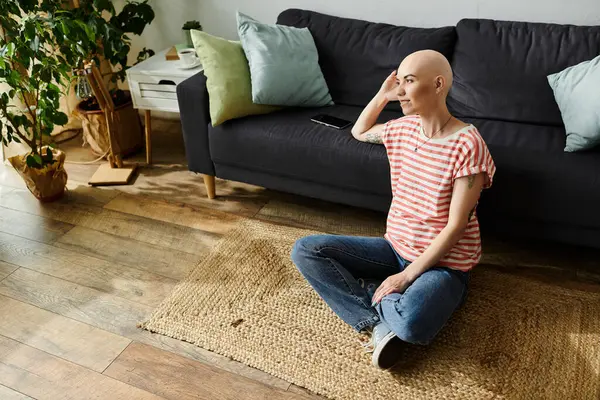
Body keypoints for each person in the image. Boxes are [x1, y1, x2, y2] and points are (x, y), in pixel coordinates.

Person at [290, 50, 496, 370]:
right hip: (393, 248)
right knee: (306, 250)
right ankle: (376, 323)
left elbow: (456, 227)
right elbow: (359, 131)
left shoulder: (467, 144)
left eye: (409, 82)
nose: (401, 90)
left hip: (443, 265)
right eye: (399, 82)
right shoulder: (401, 128)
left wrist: (405, 277)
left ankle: (375, 291)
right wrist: (383, 95)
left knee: (413, 325)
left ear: (438, 84)